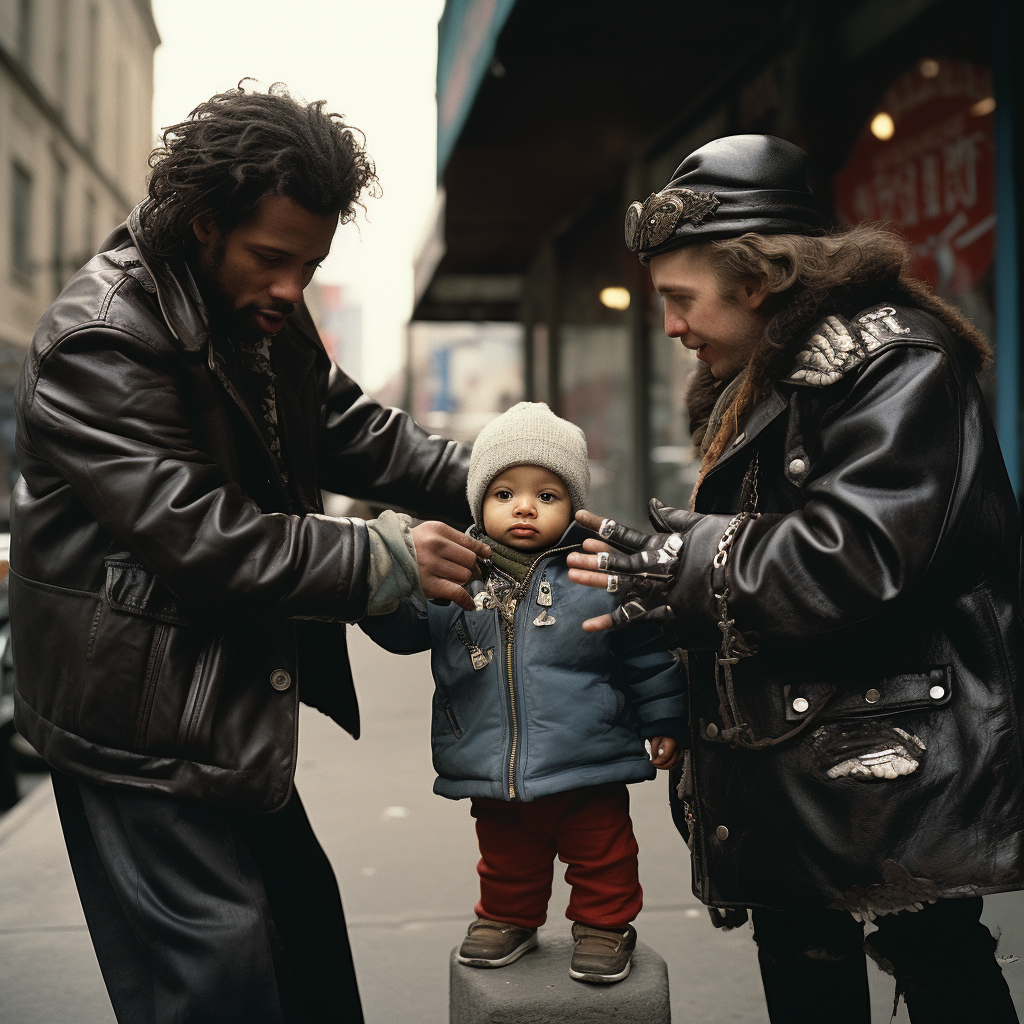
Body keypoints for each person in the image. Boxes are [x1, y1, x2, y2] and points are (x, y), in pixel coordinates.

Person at [9, 84, 489, 1024]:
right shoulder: (100, 337)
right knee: (218, 986)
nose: (290, 288)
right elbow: (200, 536)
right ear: (200, 224)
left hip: (215, 701)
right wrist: (382, 559)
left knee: (302, 958)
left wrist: (502, 483)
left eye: (309, 266)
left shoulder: (254, 306)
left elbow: (351, 428)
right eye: (273, 259)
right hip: (133, 731)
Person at [566, 134, 1024, 1022]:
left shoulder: (895, 358)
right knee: (812, 959)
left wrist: (686, 561)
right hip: (814, 753)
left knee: (936, 961)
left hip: (891, 764)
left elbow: (864, 554)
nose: (670, 326)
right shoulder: (775, 369)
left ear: (757, 278)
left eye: (679, 299)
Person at [359, 402, 686, 983]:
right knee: (507, 856)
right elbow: (408, 631)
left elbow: (644, 654)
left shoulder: (596, 574)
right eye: (504, 493)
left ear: (574, 506)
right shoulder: (458, 577)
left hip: (589, 758)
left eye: (547, 495)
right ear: (479, 505)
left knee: (603, 854)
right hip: (494, 760)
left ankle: (605, 925)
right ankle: (508, 918)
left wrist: (664, 719)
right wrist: (379, 588)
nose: (525, 508)